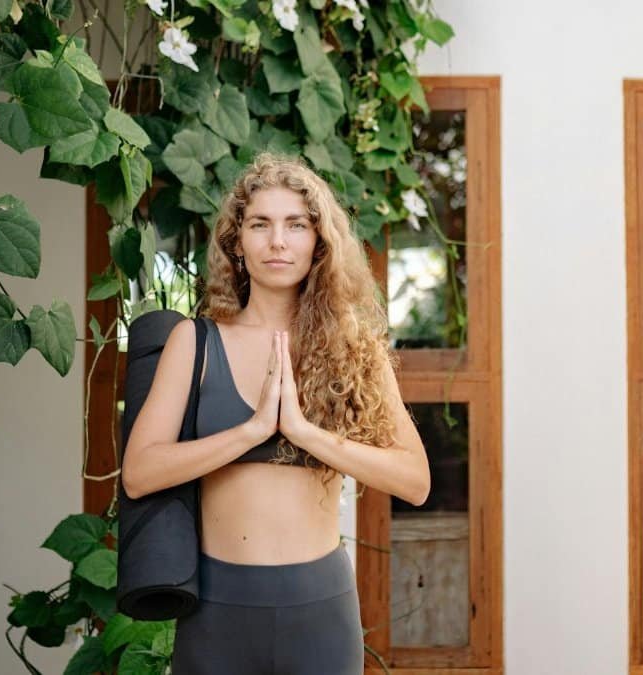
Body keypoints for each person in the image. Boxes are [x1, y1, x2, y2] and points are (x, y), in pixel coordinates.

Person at [121, 152, 431, 675]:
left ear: (319, 243)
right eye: (260, 224)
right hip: (217, 613)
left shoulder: (355, 349)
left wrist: (305, 433)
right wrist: (251, 431)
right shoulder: (194, 342)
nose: (278, 241)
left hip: (321, 613)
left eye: (296, 225)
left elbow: (415, 481)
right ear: (237, 242)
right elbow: (139, 472)